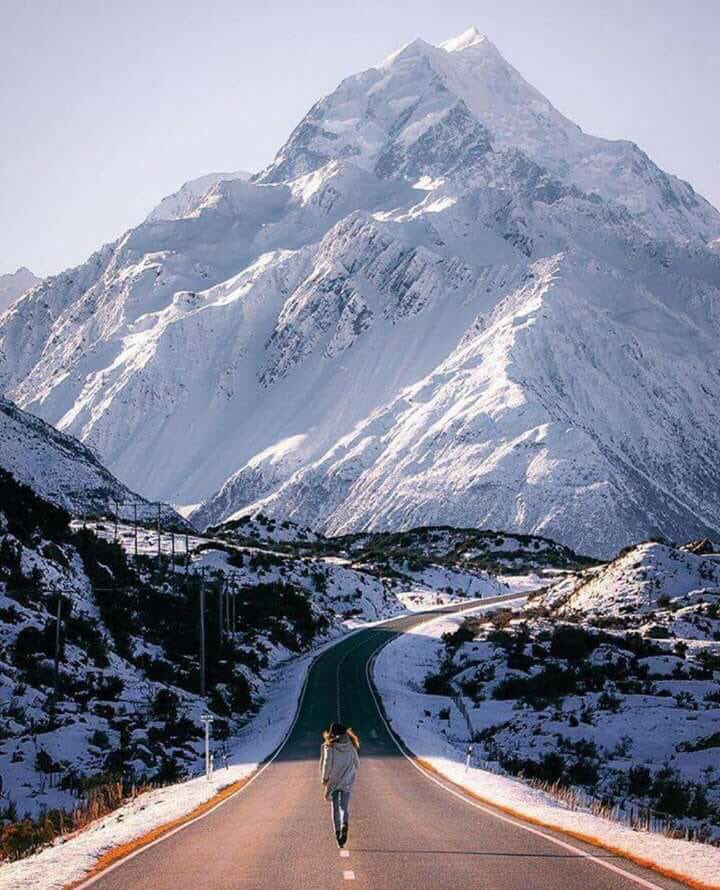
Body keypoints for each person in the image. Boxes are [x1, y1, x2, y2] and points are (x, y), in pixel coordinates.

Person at [320, 722, 360, 848]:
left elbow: (327, 764)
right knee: (344, 807)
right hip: (347, 781)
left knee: (335, 808)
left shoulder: (330, 747)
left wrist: (325, 779)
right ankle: (345, 824)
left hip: (334, 781)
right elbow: (357, 764)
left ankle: (338, 835)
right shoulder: (351, 746)